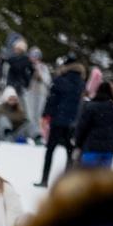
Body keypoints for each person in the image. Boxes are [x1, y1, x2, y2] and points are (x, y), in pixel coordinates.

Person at [34, 59, 85, 187]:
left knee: (50, 150)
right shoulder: (81, 82)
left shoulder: (60, 80)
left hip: (58, 120)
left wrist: (45, 115)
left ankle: (44, 179)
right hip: (73, 122)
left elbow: (52, 99)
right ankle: (67, 182)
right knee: (70, 152)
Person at [74, 81, 113, 168]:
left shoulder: (90, 107)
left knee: (89, 177)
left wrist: (78, 143)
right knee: (104, 178)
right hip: (109, 147)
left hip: (91, 146)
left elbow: (82, 127)